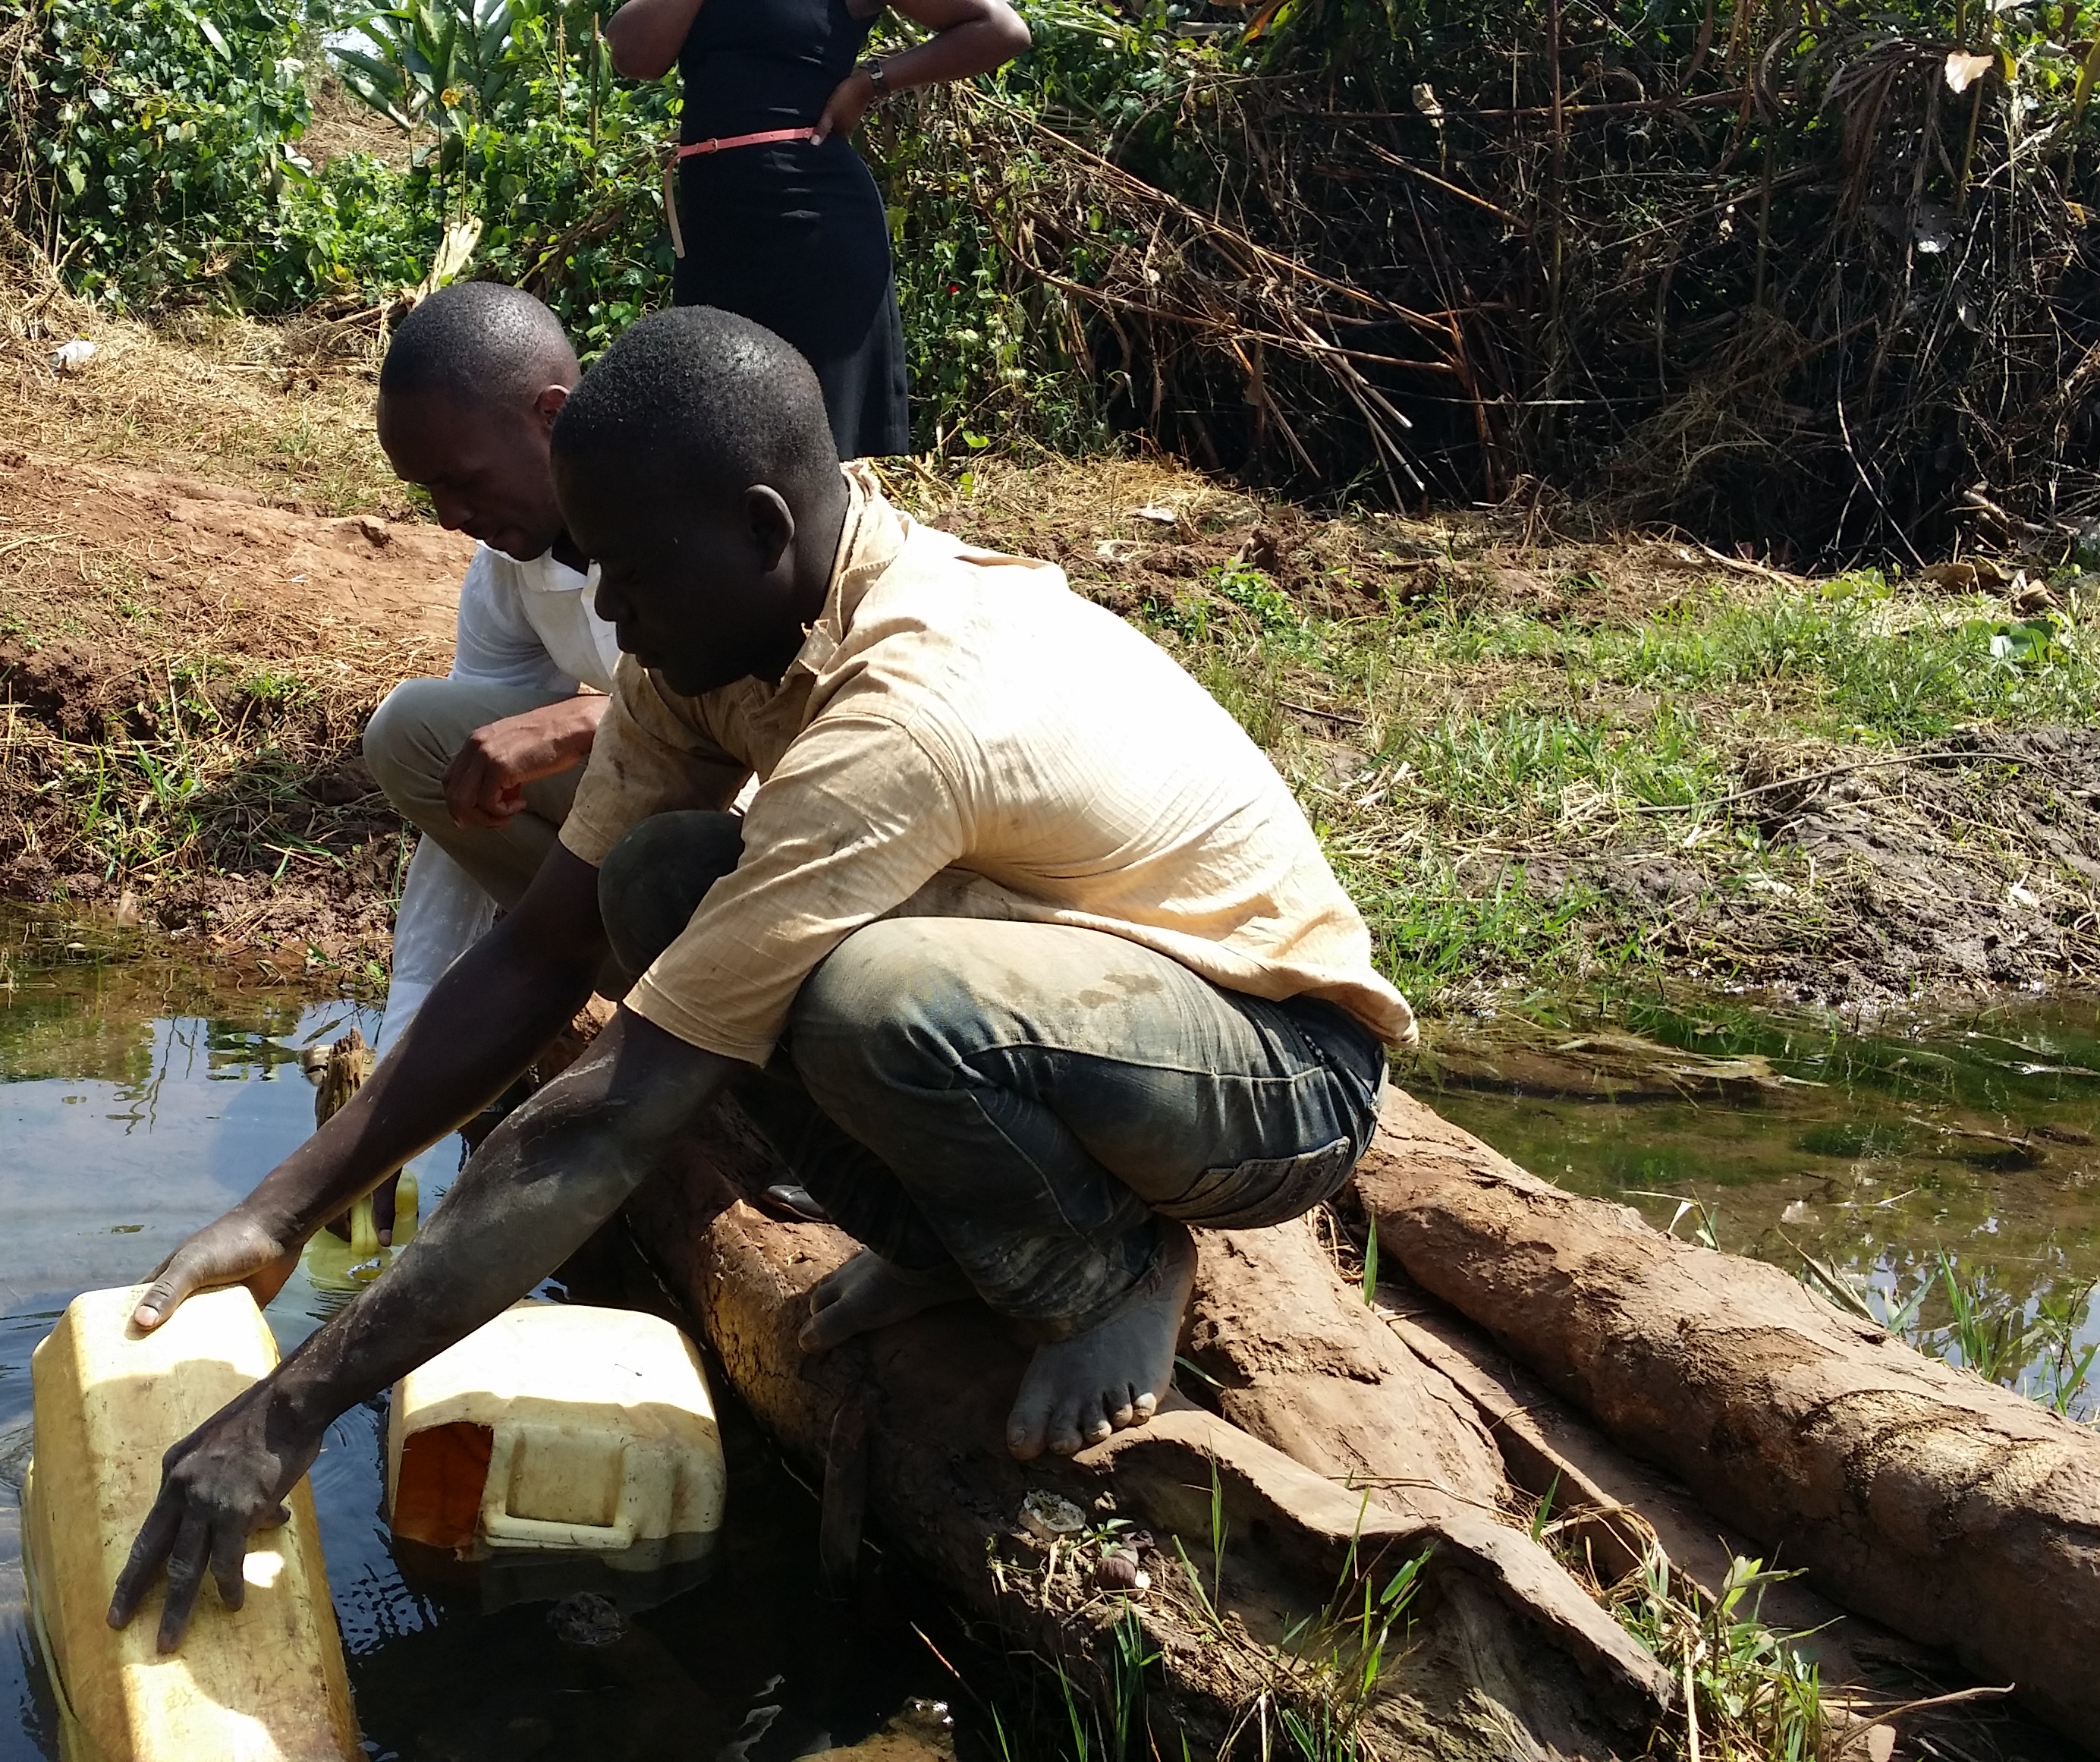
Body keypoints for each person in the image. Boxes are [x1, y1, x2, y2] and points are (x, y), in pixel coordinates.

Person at [105, 308, 1413, 1650]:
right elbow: (551, 945)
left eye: (627, 574)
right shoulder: (709, 641)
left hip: (1270, 1074)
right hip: (1067, 1001)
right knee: (660, 881)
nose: (605, 613)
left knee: (874, 999)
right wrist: (278, 1208)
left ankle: (1108, 1272)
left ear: (759, 529)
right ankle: (952, 1244)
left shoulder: (911, 702)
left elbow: (623, 1105)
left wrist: (292, 1408)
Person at [603, 0, 1029, 461]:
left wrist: (873, 82)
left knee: (826, 450)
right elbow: (632, 53)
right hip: (714, 230)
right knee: (716, 438)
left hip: (814, 226)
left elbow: (1001, 29)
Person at [359, 282, 621, 1027]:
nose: (449, 521)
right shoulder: (509, 565)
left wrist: (581, 722)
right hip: (653, 822)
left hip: (769, 831)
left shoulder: (688, 516)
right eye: (427, 494)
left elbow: (741, 737)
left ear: (552, 416)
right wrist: (410, 1018)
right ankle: (627, 973)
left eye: (461, 481)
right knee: (416, 734)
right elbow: (470, 792)